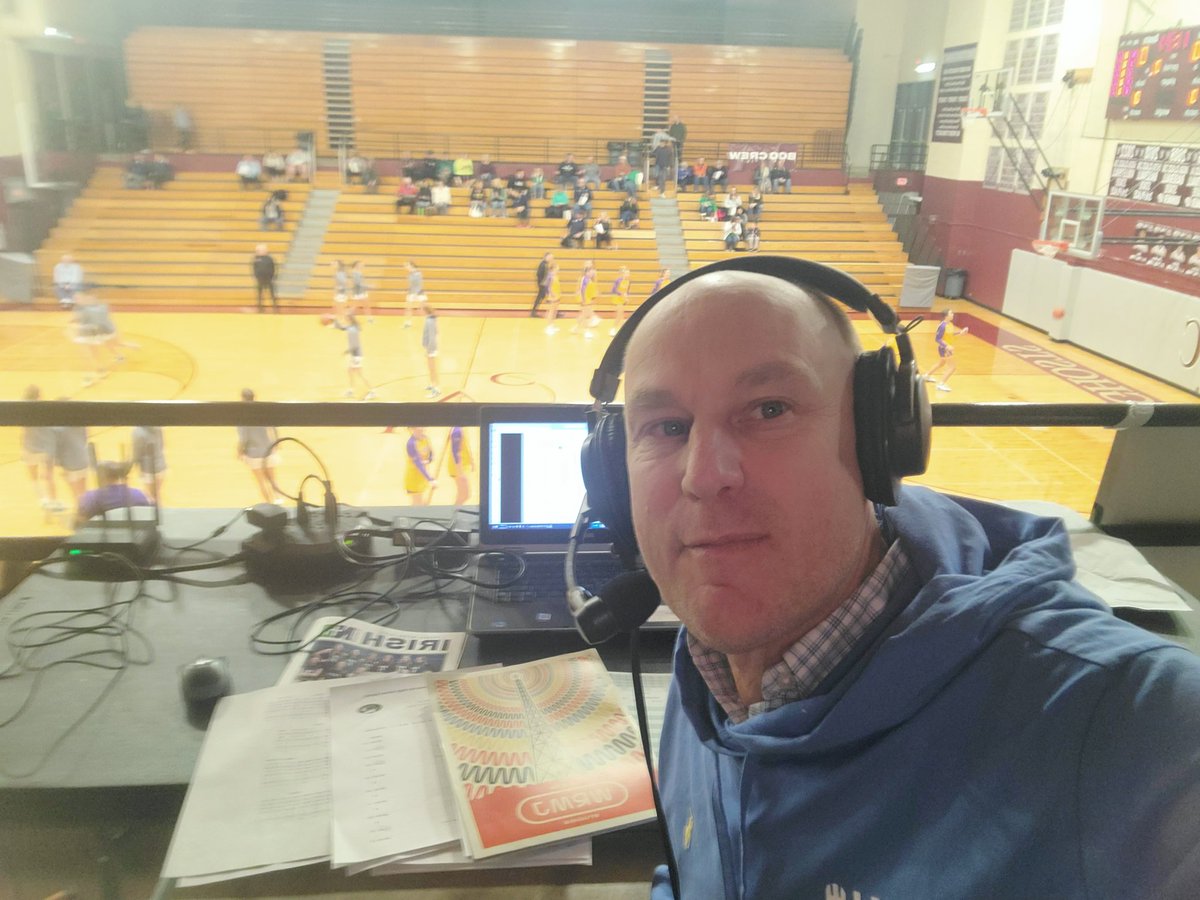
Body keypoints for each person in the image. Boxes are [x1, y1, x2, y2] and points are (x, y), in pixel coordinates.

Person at [613, 261, 1200, 900]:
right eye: (666, 427)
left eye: (768, 409)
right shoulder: (707, 661)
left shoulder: (1132, 724)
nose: (704, 475)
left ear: (879, 441)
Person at [236, 388, 280, 503]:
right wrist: (277, 441)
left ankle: (269, 505)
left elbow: (243, 438)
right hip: (268, 450)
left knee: (261, 482)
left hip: (253, 454)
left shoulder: (241, 416)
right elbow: (274, 426)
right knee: (272, 479)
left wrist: (239, 451)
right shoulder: (263, 411)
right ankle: (279, 500)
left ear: (242, 399)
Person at [76, 460, 151, 525]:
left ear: (101, 477)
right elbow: (147, 516)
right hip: (134, 539)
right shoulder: (138, 494)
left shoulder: (91, 497)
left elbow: (80, 523)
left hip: (103, 540)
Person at [21, 385, 58, 512]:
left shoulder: (22, 410)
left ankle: (42, 500)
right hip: (45, 448)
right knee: (49, 476)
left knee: (33, 478)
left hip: (29, 448)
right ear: (38, 395)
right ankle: (53, 501)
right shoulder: (45, 409)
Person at [330, 311, 376, 400]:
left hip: (356, 355)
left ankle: (372, 391)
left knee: (359, 374)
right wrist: (334, 321)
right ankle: (351, 390)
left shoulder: (352, 330)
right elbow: (343, 328)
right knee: (350, 371)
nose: (344, 319)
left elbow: (354, 345)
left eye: (345, 318)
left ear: (349, 319)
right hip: (355, 354)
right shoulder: (353, 327)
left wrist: (346, 351)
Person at [923, 308, 968, 392]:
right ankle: (941, 384)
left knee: (941, 363)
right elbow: (938, 339)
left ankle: (927, 375)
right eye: (951, 313)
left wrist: (960, 333)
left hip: (946, 348)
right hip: (945, 349)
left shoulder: (950, 324)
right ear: (946, 316)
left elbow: (950, 335)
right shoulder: (942, 326)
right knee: (952, 367)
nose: (953, 314)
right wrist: (947, 346)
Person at [131, 424, 167, 503]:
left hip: (148, 470)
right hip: (161, 467)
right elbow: (162, 445)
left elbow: (136, 454)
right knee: (156, 495)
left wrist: (131, 466)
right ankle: (161, 513)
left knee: (149, 497)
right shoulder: (158, 427)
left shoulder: (137, 432)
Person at [404, 427, 435, 505]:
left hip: (422, 478)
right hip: (414, 479)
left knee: (422, 504)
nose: (421, 428)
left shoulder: (426, 439)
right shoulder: (411, 443)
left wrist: (428, 460)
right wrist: (430, 479)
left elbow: (431, 454)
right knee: (417, 504)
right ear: (412, 429)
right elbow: (418, 464)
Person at [446, 426, 474, 506]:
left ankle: (454, 514)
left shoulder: (461, 428)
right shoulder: (457, 430)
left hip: (460, 466)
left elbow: (465, 445)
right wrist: (460, 472)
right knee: (465, 495)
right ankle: (453, 514)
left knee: (462, 494)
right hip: (457, 467)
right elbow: (456, 451)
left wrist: (471, 460)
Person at [572, 260, 599, 336]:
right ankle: (587, 331)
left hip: (588, 299)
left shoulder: (590, 278)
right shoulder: (584, 278)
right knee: (586, 314)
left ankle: (576, 328)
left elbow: (591, 287)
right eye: (590, 271)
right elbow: (582, 289)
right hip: (584, 299)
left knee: (584, 314)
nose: (592, 272)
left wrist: (593, 296)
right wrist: (583, 299)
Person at [420, 299, 440, 398]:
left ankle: (435, 389)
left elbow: (432, 336)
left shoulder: (429, 321)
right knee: (431, 369)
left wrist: (429, 350)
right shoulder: (431, 319)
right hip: (431, 347)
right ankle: (432, 384)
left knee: (432, 369)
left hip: (431, 349)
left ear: (424, 310)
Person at [252, 244, 278, 313]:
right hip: (260, 279)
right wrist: (256, 276)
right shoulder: (256, 259)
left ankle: (275, 308)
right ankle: (260, 308)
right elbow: (254, 268)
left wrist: (272, 277)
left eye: (262, 250)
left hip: (269, 278)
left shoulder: (269, 258)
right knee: (260, 294)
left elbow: (273, 268)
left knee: (272, 294)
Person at [608, 264, 630, 336]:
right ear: (623, 274)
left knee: (622, 315)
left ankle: (621, 331)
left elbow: (627, 291)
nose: (628, 274)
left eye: (629, 273)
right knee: (619, 315)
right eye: (627, 273)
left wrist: (627, 298)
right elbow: (613, 290)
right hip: (617, 298)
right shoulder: (618, 280)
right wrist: (621, 294)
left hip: (622, 299)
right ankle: (613, 329)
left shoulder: (628, 281)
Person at [531, 252, 553, 318]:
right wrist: (541, 284)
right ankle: (533, 312)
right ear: (546, 257)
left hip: (544, 285)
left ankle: (534, 312)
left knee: (543, 297)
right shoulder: (543, 264)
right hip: (543, 285)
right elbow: (538, 274)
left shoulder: (545, 264)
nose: (551, 259)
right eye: (550, 257)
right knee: (548, 297)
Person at [404, 261, 425, 329]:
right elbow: (411, 285)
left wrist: (416, 294)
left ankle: (427, 323)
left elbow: (419, 284)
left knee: (422, 308)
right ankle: (408, 323)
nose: (406, 267)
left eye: (407, 266)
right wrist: (408, 291)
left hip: (419, 292)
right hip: (411, 292)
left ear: (412, 266)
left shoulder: (418, 273)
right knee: (408, 308)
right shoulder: (409, 274)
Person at [542, 261, 562, 334]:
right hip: (552, 297)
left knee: (555, 312)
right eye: (557, 267)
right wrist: (552, 294)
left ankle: (552, 325)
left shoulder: (556, 276)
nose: (558, 269)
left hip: (557, 296)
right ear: (553, 268)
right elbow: (548, 287)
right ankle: (548, 327)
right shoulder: (550, 276)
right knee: (551, 312)